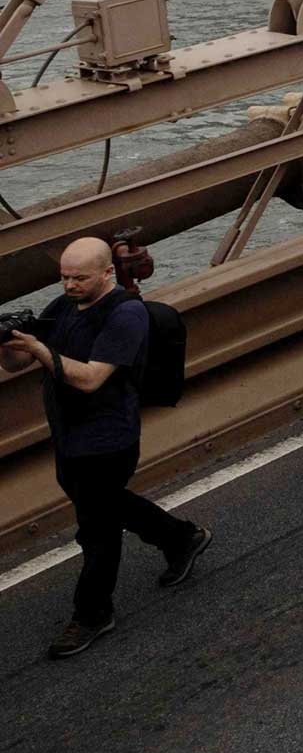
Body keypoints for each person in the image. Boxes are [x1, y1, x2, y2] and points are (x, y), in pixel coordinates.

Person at [5, 236, 210, 659]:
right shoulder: (63, 306)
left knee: (97, 529)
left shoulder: (126, 315)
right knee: (110, 504)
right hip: (67, 438)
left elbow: (91, 378)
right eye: (63, 277)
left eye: (79, 277)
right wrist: (11, 345)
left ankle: (92, 612)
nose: (69, 286)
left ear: (106, 273)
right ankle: (181, 538)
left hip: (108, 439)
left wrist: (41, 350)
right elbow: (17, 363)